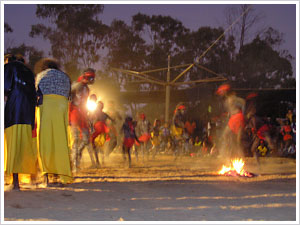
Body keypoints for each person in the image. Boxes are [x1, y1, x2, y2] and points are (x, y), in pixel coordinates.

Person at [35, 58, 72, 186]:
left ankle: (46, 178)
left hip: (46, 107)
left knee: (46, 142)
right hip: (61, 107)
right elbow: (69, 95)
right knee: (60, 142)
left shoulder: (41, 75)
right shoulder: (65, 76)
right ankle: (62, 176)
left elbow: (35, 93)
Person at [4, 54, 37, 190]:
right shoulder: (28, 71)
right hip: (27, 114)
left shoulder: (8, 67)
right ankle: (30, 177)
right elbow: (34, 93)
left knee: (13, 146)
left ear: (7, 60)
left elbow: (5, 87)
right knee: (24, 145)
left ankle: (15, 181)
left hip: (14, 112)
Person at [69, 68, 97, 171]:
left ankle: (77, 155)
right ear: (85, 76)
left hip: (83, 114)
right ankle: (74, 164)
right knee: (75, 139)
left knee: (86, 139)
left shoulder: (87, 89)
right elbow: (68, 98)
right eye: (90, 78)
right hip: (74, 113)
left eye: (92, 78)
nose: (92, 80)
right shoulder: (76, 86)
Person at [216, 84, 245, 159]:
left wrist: (243, 115)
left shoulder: (233, 98)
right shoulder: (227, 100)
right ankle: (226, 153)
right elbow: (231, 109)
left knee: (238, 141)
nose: (221, 94)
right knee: (225, 135)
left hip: (238, 117)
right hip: (233, 118)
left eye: (222, 92)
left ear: (225, 92)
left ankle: (240, 157)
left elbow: (243, 102)